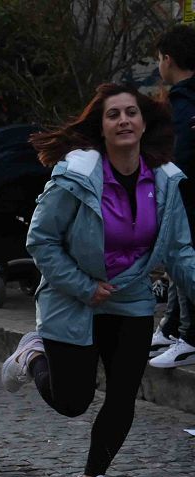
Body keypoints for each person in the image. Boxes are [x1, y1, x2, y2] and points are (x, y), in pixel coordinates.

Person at [0, 84, 195, 477]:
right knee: (72, 401)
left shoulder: (163, 180)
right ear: (101, 127)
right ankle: (33, 355)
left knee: (124, 394)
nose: (124, 120)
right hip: (72, 295)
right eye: (114, 115)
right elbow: (42, 239)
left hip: (130, 297)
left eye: (132, 113)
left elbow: (180, 251)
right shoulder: (77, 176)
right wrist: (83, 285)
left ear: (144, 123)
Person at [147, 25, 195, 369]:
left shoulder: (183, 102)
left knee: (182, 259)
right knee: (178, 261)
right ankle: (173, 326)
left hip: (187, 195)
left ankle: (189, 337)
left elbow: (181, 156)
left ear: (168, 59)